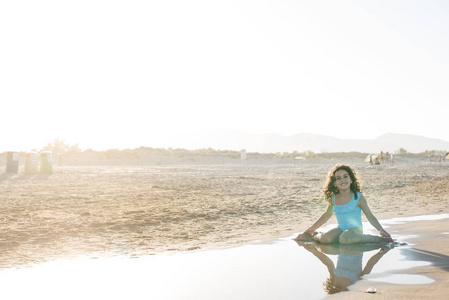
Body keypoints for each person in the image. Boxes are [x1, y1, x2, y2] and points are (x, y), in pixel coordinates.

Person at [295, 164, 393, 244]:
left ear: (351, 180)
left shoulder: (358, 197)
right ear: (335, 183)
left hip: (355, 230)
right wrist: (312, 228)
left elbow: (370, 216)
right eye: (338, 178)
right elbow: (327, 215)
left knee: (344, 238)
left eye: (345, 177)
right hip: (341, 228)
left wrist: (381, 230)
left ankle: (379, 240)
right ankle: (314, 235)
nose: (342, 180)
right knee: (326, 239)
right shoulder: (333, 198)